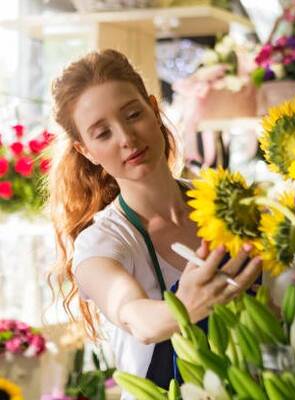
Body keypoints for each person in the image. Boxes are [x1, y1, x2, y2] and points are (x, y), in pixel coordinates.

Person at [47, 49, 262, 399]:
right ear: (86, 151)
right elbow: (135, 318)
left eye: (133, 114)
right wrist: (187, 306)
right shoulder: (102, 244)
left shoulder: (228, 203)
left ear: (153, 108)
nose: (126, 138)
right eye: (103, 133)